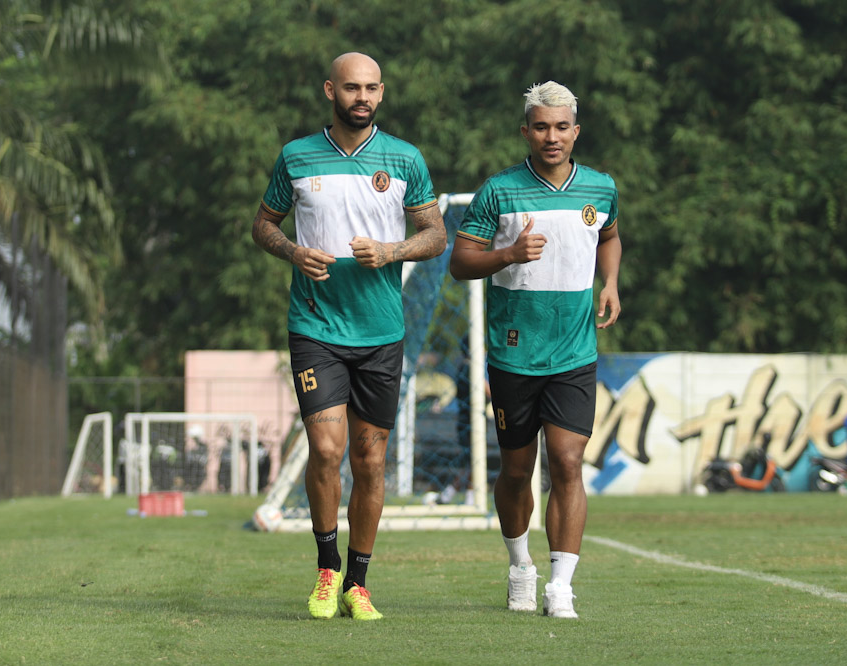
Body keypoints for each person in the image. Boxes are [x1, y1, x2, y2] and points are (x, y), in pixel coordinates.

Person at [251, 52, 447, 621]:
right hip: (315, 327)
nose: (361, 98)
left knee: (369, 459)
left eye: (370, 89)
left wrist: (392, 250)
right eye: (350, 89)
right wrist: (292, 249)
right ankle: (326, 569)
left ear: (381, 93)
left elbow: (434, 234)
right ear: (329, 91)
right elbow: (262, 224)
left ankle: (358, 583)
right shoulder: (296, 156)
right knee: (327, 449)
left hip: (382, 331)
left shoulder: (405, 158)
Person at [449, 81, 621, 619]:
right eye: (541, 126)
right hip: (513, 355)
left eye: (562, 126)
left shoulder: (600, 187)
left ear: (576, 131)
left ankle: (561, 586)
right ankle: (521, 566)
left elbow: (610, 235)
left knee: (568, 463)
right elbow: (459, 263)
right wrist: (507, 254)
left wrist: (610, 283)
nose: (552, 136)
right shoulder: (498, 192)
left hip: (574, 353)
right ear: (526, 130)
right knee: (518, 470)